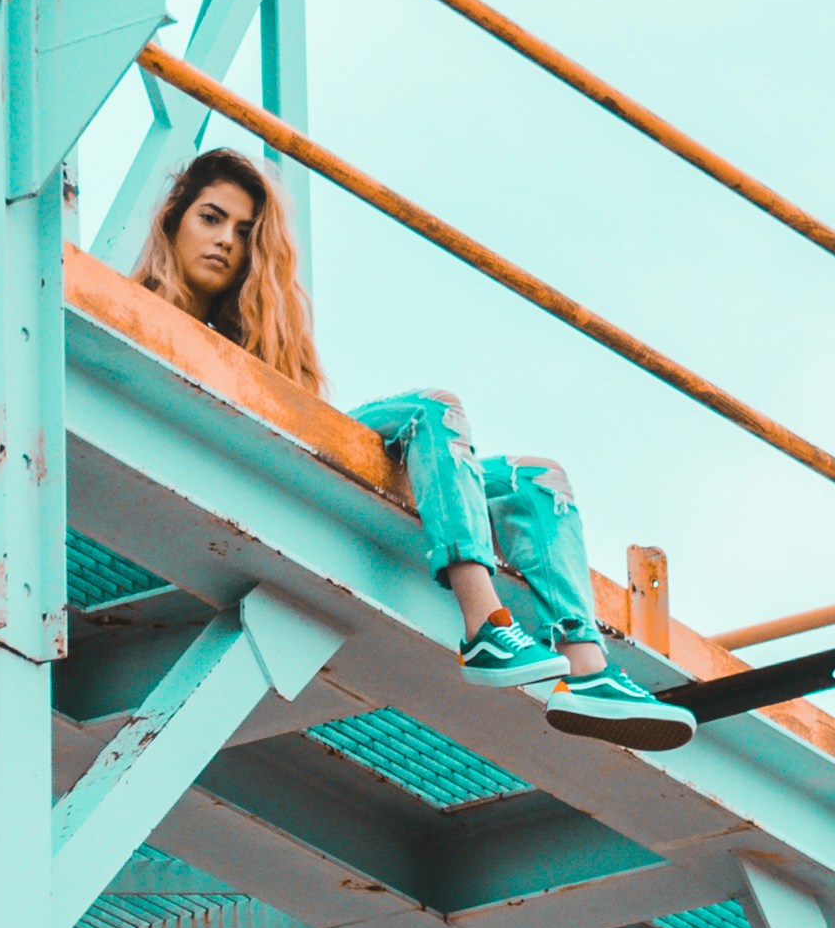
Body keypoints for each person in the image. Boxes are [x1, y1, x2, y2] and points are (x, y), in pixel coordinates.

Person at [132, 148, 690, 752]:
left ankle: (588, 672)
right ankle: (483, 625)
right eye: (210, 218)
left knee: (540, 480)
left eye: (244, 232)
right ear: (173, 220)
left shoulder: (251, 350)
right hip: (248, 475)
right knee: (432, 407)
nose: (227, 242)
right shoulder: (128, 306)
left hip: (304, 459)